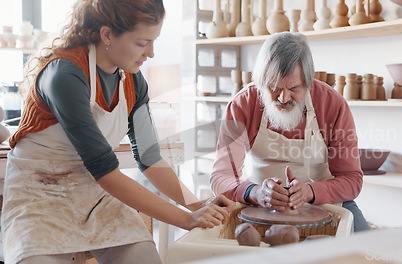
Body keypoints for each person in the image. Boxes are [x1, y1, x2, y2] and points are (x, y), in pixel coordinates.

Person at [1, 1, 235, 263]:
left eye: (153, 41)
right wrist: (185, 218)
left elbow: (149, 158)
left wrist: (198, 206)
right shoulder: (65, 74)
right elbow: (104, 169)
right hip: (39, 195)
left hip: (93, 194)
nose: (152, 53)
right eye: (142, 43)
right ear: (107, 34)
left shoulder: (133, 81)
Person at [210, 32, 370, 233]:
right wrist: (255, 193)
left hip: (322, 201)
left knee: (367, 252)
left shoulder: (333, 104)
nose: (284, 98)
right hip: (258, 202)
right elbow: (220, 177)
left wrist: (309, 192)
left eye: (294, 88)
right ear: (260, 81)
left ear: (309, 83)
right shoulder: (243, 104)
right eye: (274, 88)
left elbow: (352, 180)